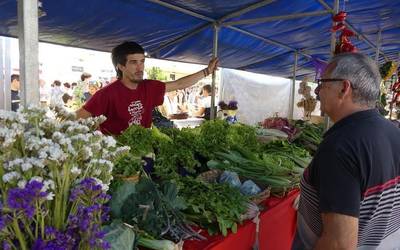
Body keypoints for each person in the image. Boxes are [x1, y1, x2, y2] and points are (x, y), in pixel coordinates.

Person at [293, 53, 400, 250]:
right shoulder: (393, 131)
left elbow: (339, 245)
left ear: (344, 88)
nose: (317, 91)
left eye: (323, 83)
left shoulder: (340, 147)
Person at [76, 41, 218, 135]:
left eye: (142, 62)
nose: (140, 68)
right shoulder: (106, 94)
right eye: (133, 63)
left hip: (144, 150)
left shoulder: (149, 87)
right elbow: (75, 118)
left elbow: (179, 84)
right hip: (117, 158)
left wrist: (207, 71)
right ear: (121, 66)